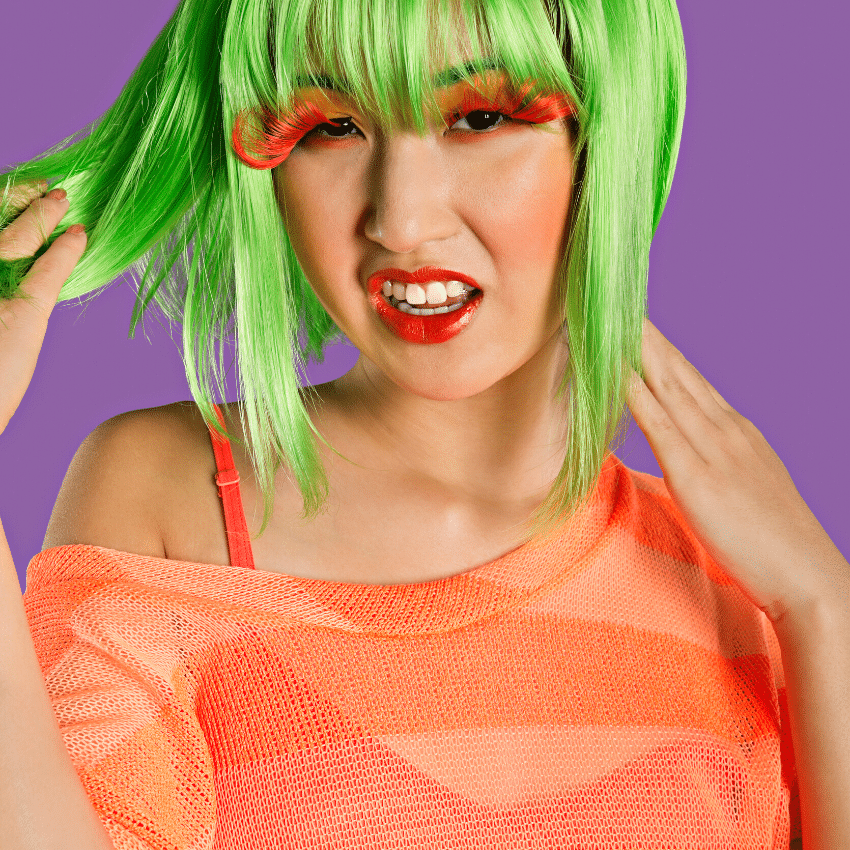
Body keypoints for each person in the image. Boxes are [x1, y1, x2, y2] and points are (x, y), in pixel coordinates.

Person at [1, 0, 847, 847]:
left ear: (609, 138)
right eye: (330, 127)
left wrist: (820, 602)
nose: (401, 221)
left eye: (478, 117)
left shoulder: (749, 587)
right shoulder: (170, 496)